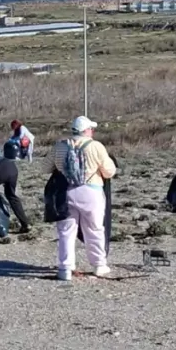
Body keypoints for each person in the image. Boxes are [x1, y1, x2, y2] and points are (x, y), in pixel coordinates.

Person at [52, 115, 116, 281]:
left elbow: (45, 168)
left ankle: (65, 268)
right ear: (86, 130)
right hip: (91, 191)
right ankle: (99, 265)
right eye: (91, 129)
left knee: (66, 231)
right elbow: (109, 171)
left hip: (66, 191)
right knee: (94, 230)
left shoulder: (60, 146)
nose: (92, 131)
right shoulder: (96, 146)